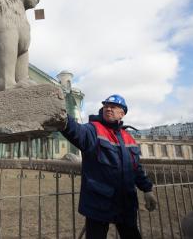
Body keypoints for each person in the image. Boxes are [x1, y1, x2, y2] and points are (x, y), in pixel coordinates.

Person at [60, 94, 157, 239]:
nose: (108, 109)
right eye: (106, 106)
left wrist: (147, 189)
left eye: (113, 107)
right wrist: (61, 117)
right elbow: (75, 130)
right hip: (99, 202)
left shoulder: (128, 137)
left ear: (122, 113)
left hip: (126, 203)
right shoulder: (93, 130)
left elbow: (135, 168)